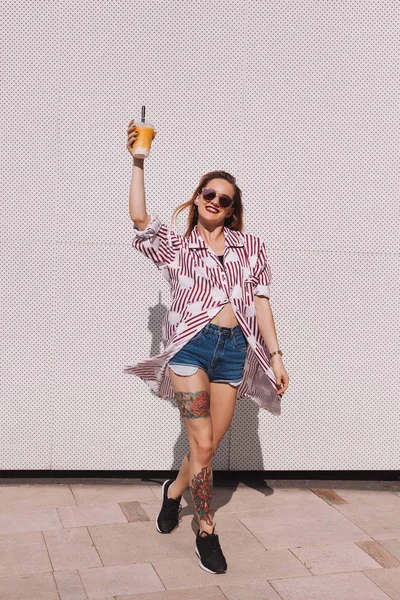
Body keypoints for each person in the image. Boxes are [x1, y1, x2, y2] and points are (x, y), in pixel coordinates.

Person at [124, 119, 289, 574]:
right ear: (197, 198)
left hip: (235, 350)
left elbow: (260, 302)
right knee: (200, 441)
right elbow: (140, 217)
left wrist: (275, 355)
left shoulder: (251, 246)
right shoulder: (177, 247)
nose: (216, 201)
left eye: (225, 199)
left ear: (232, 209)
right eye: (209, 194)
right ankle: (207, 529)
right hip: (191, 350)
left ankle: (172, 492)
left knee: (208, 446)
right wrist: (139, 161)